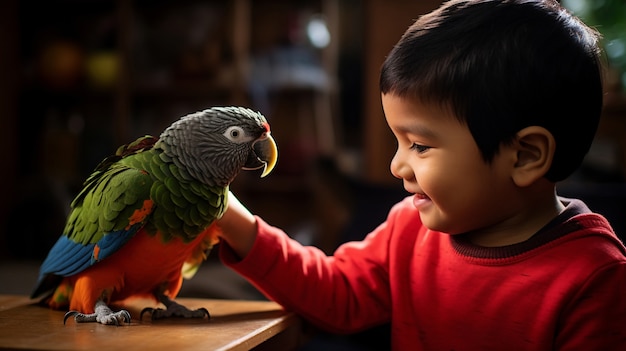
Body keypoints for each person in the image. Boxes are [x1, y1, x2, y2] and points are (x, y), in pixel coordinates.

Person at [216, 0, 626, 349]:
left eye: (420, 146)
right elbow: (336, 294)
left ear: (524, 156)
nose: (397, 166)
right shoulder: (409, 229)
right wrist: (234, 220)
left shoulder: (595, 279)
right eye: (399, 142)